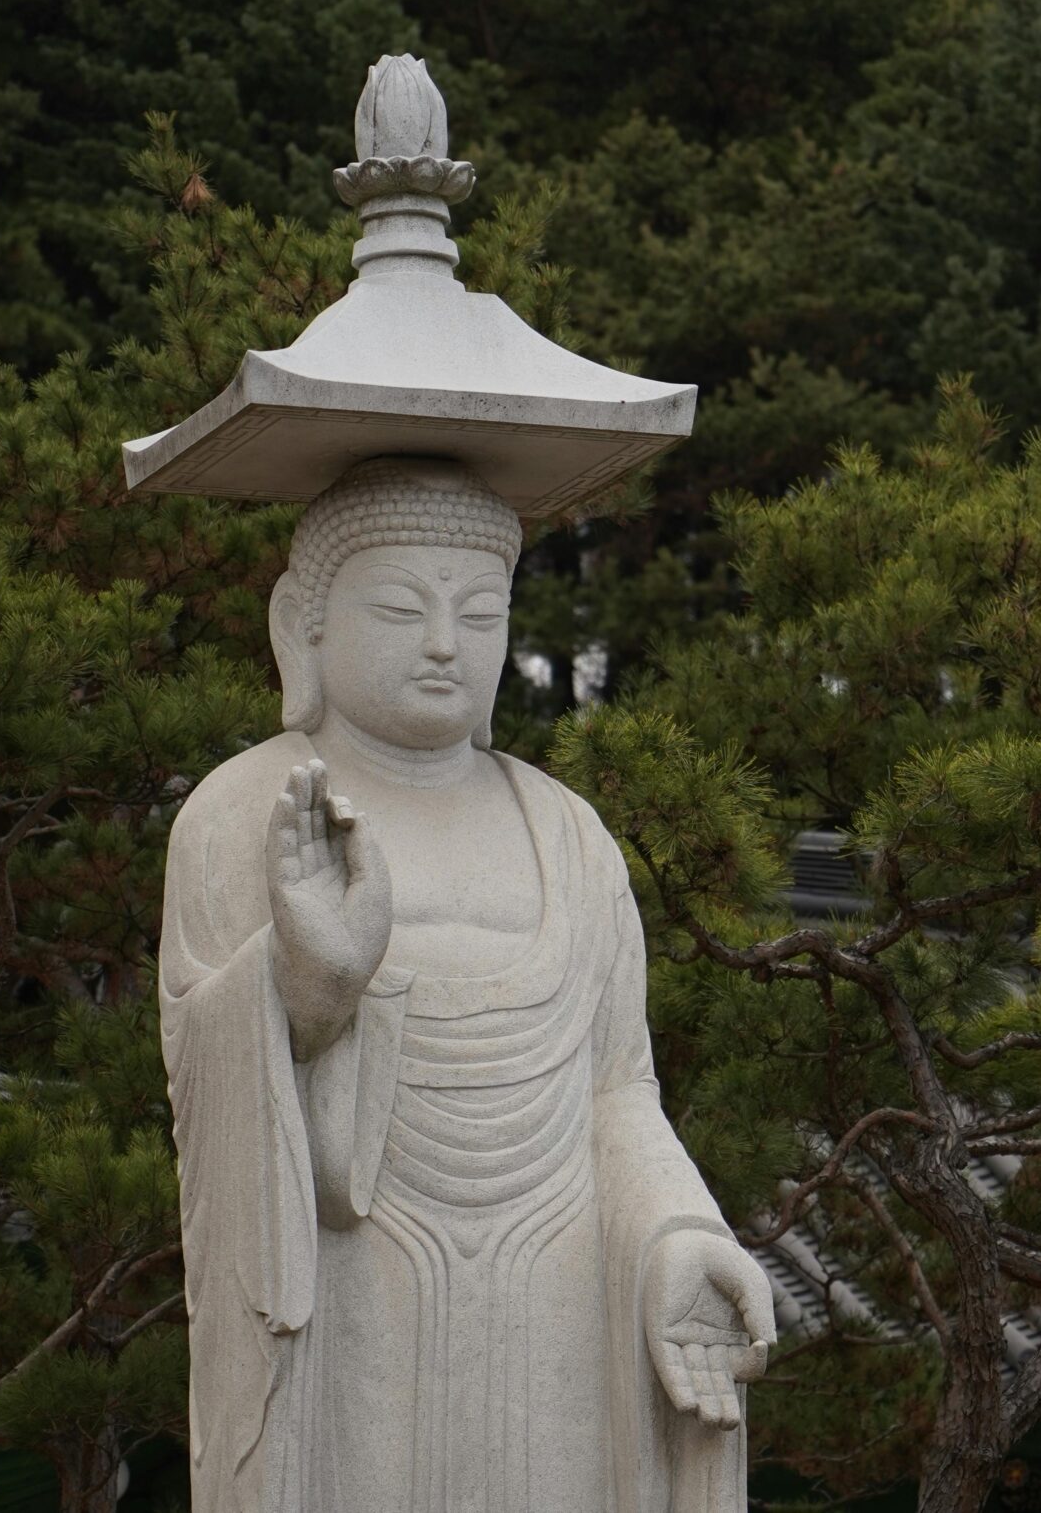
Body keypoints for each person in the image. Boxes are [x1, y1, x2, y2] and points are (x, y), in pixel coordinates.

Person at [158, 457, 775, 1512]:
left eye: (481, 613)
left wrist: (679, 1233)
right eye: (403, 608)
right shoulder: (242, 813)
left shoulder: (569, 836)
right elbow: (206, 1075)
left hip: (561, 1297)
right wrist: (307, 987)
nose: (446, 643)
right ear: (300, 625)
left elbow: (618, 1092)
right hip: (352, 1301)